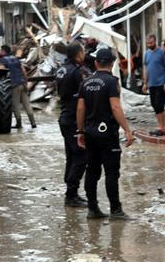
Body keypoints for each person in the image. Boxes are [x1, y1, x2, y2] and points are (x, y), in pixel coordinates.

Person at [76, 47, 134, 220]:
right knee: (111, 172)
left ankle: (93, 209)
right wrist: (127, 129)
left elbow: (80, 109)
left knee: (92, 170)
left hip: (90, 133)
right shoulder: (111, 82)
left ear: (95, 63)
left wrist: (80, 131)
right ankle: (115, 210)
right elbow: (115, 107)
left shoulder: (85, 82)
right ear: (112, 63)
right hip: (107, 134)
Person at [55, 42, 90, 208]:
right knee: (81, 155)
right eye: (83, 51)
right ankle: (71, 194)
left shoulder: (61, 69)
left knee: (71, 155)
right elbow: (82, 99)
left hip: (64, 116)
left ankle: (72, 192)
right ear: (78, 54)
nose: (84, 54)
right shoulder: (76, 72)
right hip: (73, 118)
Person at [0, 44, 36, 129]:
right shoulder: (15, 58)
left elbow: (1, 70)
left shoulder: (4, 60)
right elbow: (23, 70)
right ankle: (33, 123)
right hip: (22, 83)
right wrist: (26, 82)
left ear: (4, 51)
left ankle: (19, 124)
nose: (0, 52)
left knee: (15, 105)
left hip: (14, 85)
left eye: (1, 50)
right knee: (27, 104)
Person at [143, 34, 165, 136]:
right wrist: (145, 83)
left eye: (151, 43)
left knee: (159, 105)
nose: (149, 45)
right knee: (154, 105)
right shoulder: (146, 54)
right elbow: (147, 69)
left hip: (161, 83)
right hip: (151, 84)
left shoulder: (162, 52)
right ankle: (160, 126)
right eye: (148, 43)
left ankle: (162, 128)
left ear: (155, 42)